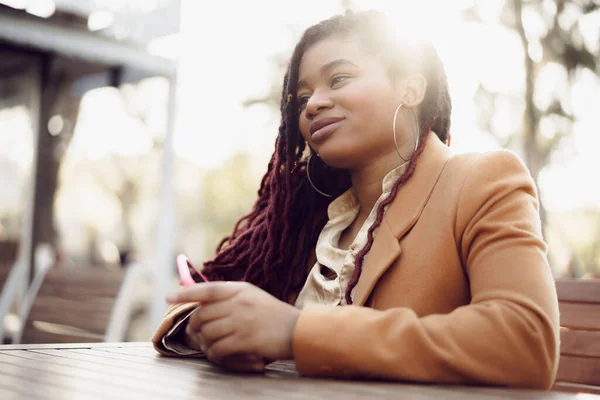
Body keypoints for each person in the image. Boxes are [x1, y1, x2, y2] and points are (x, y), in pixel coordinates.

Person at [153, 10, 559, 389]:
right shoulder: (307, 213)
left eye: (340, 79)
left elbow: (525, 339)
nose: (313, 104)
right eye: (302, 98)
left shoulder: (481, 181)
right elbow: (212, 302)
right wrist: (209, 328)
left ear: (411, 88)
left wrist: (296, 332)